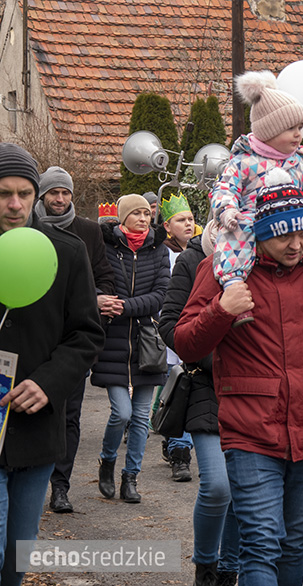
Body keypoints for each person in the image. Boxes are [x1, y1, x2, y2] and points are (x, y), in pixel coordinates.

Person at [174, 167, 303, 586]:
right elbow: (185, 343)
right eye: (285, 235)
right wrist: (220, 310)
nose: (297, 244)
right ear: (260, 229)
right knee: (262, 543)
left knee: (293, 545)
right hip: (250, 429)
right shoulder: (222, 268)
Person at [0, 143, 104, 585]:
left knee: (16, 562)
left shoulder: (67, 251)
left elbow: (86, 333)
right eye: (4, 193)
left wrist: (48, 383)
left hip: (37, 426)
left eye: (25, 193)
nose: (15, 204)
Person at [211, 70, 303, 326]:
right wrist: (228, 211)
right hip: (253, 218)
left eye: (300, 127)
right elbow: (225, 189)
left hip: (296, 221)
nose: (299, 134)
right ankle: (235, 289)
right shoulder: (244, 161)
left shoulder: (299, 162)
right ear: (268, 130)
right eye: (290, 128)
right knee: (235, 235)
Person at [159, 218, 240, 586]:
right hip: (206, 386)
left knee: (244, 490)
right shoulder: (195, 260)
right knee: (219, 486)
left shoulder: (264, 258)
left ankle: (229, 569)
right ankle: (206, 566)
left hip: (252, 389)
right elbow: (170, 324)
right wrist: (207, 355)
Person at [34, 165, 116, 514]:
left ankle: (60, 486)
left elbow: (106, 279)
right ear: (42, 195)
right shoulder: (27, 229)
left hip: (72, 340)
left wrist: (95, 297)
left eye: (65, 192)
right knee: (33, 411)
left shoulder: (89, 232)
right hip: (35, 339)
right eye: (53, 192)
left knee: (69, 415)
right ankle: (31, 481)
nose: (60, 198)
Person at [91, 194, 171, 504]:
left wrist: (123, 306)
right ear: (123, 218)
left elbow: (161, 294)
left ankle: (130, 477)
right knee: (121, 413)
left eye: (145, 213)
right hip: (111, 341)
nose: (143, 218)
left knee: (140, 417)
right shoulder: (107, 248)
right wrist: (101, 299)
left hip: (146, 342)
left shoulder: (159, 250)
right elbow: (93, 282)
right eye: (135, 213)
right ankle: (107, 460)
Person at [158, 192, 196, 482]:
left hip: (198, 332)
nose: (187, 224)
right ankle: (179, 453)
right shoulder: (164, 254)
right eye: (181, 219)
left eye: (191, 219)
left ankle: (176, 443)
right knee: (180, 390)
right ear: (168, 226)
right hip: (173, 333)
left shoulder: (203, 253)